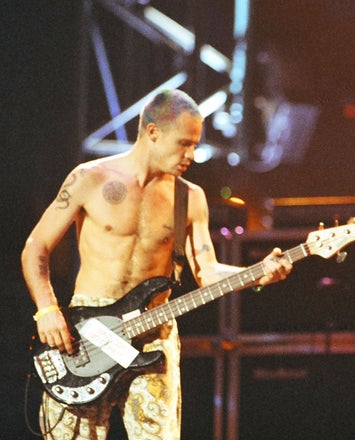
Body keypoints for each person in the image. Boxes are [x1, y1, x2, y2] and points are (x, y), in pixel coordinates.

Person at [21, 89, 293, 439]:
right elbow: (36, 247)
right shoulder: (89, 178)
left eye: (195, 144)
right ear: (152, 133)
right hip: (85, 333)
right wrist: (47, 309)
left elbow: (206, 271)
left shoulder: (189, 199)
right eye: (184, 143)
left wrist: (257, 275)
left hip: (154, 334)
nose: (191, 155)